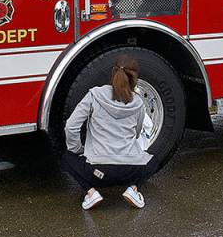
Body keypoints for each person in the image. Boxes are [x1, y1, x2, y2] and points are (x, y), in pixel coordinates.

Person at [62, 53, 155, 209]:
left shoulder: (94, 95)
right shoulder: (138, 103)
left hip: (97, 173)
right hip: (129, 172)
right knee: (154, 159)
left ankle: (91, 193)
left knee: (66, 157)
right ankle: (133, 189)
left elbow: (71, 126)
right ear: (134, 78)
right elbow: (138, 133)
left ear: (113, 73)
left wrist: (78, 150)